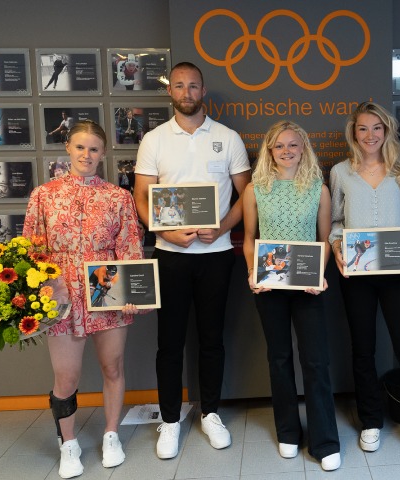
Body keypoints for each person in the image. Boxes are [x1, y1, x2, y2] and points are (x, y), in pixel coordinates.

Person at [133, 61, 251, 460]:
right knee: (170, 342)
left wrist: (221, 229)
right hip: (171, 256)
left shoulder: (228, 137)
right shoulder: (153, 140)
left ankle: (211, 413)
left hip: (216, 256)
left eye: (194, 86)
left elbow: (246, 196)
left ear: (204, 90)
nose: (187, 93)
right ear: (171, 92)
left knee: (212, 340)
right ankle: (169, 419)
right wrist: (163, 233)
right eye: (179, 86)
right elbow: (141, 198)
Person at [23, 120, 145, 479]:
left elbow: (129, 249)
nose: (86, 155)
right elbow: (32, 249)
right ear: (67, 149)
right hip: (61, 297)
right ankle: (68, 444)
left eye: (93, 149)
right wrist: (42, 292)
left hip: (106, 292)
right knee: (66, 377)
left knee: (113, 368)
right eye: (80, 147)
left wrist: (133, 292)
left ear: (103, 153)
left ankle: (111, 435)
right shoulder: (43, 195)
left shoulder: (118, 197)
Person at [329, 101, 400, 473]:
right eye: (363, 128)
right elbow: (334, 224)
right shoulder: (340, 172)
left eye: (377, 128)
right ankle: (371, 422)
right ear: (353, 132)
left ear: (387, 131)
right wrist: (336, 249)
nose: (370, 135)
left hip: (396, 274)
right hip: (356, 275)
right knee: (363, 350)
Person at [242, 120, 341, 471]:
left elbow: (324, 239)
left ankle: (325, 440)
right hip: (269, 286)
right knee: (279, 359)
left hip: (307, 285)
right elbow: (249, 239)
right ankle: (288, 432)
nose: (286, 151)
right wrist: (254, 273)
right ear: (270, 151)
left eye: (293, 145)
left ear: (303, 149)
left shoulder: (318, 189)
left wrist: (320, 274)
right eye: (279, 146)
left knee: (316, 361)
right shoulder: (255, 189)